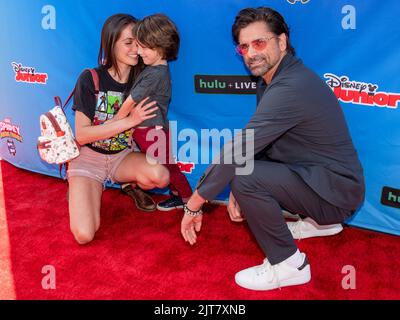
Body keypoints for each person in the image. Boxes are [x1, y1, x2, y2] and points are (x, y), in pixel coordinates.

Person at [180, 7, 365, 291]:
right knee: (244, 174)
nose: (251, 53)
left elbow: (239, 151)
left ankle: (290, 265)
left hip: (336, 194)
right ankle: (319, 224)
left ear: (282, 42)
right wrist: (239, 192)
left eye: (259, 42)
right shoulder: (273, 80)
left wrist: (194, 205)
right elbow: (259, 144)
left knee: (244, 176)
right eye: (244, 46)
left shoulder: (290, 86)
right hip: (323, 179)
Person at [68, 14, 170, 244]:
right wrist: (128, 121)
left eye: (139, 42)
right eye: (128, 43)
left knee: (160, 177)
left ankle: (128, 184)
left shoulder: (145, 79)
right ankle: (83, 188)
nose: (136, 49)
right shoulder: (90, 78)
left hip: (122, 156)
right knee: (84, 235)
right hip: (87, 158)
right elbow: (82, 134)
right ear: (110, 44)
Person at [111, 14, 193, 211]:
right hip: (146, 130)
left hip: (151, 131)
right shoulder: (154, 68)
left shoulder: (155, 74)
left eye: (143, 46)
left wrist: (114, 123)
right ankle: (176, 196)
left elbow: (130, 102)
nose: (138, 52)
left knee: (170, 169)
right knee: (165, 166)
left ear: (160, 46)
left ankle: (190, 202)